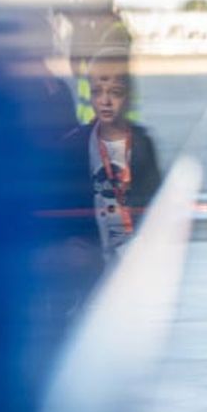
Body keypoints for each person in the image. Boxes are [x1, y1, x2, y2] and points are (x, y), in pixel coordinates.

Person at [58, 48, 161, 265]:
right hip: (89, 263)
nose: (105, 101)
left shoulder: (142, 145)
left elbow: (153, 207)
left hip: (133, 263)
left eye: (115, 92)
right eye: (97, 92)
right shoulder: (74, 146)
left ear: (128, 95)